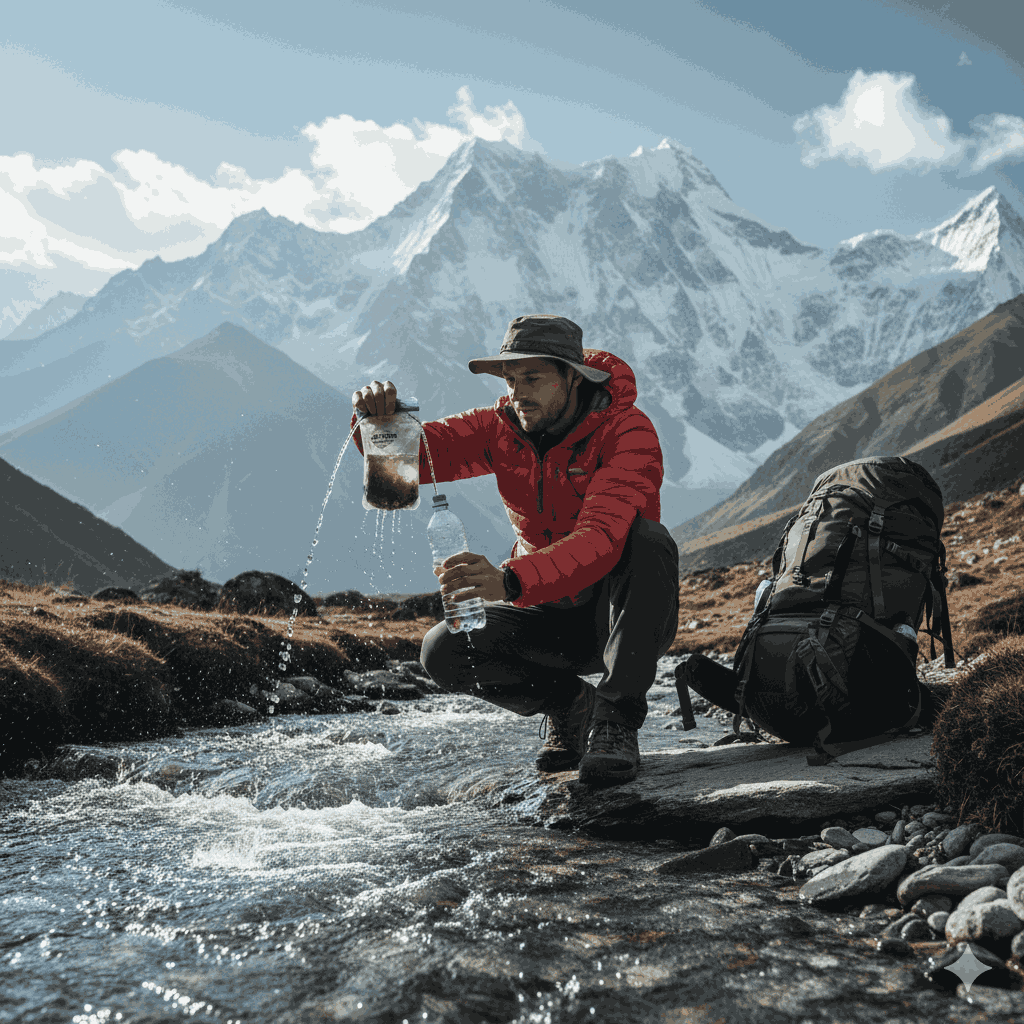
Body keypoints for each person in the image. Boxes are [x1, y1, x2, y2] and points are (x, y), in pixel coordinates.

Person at [350, 314, 679, 785]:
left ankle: (615, 722)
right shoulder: (499, 427)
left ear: (572, 376)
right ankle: (570, 708)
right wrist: (375, 421)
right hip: (545, 610)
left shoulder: (627, 431)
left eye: (532, 379)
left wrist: (510, 581)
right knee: (441, 650)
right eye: (509, 380)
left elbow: (600, 538)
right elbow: (413, 461)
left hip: (619, 618)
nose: (517, 392)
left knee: (646, 541)